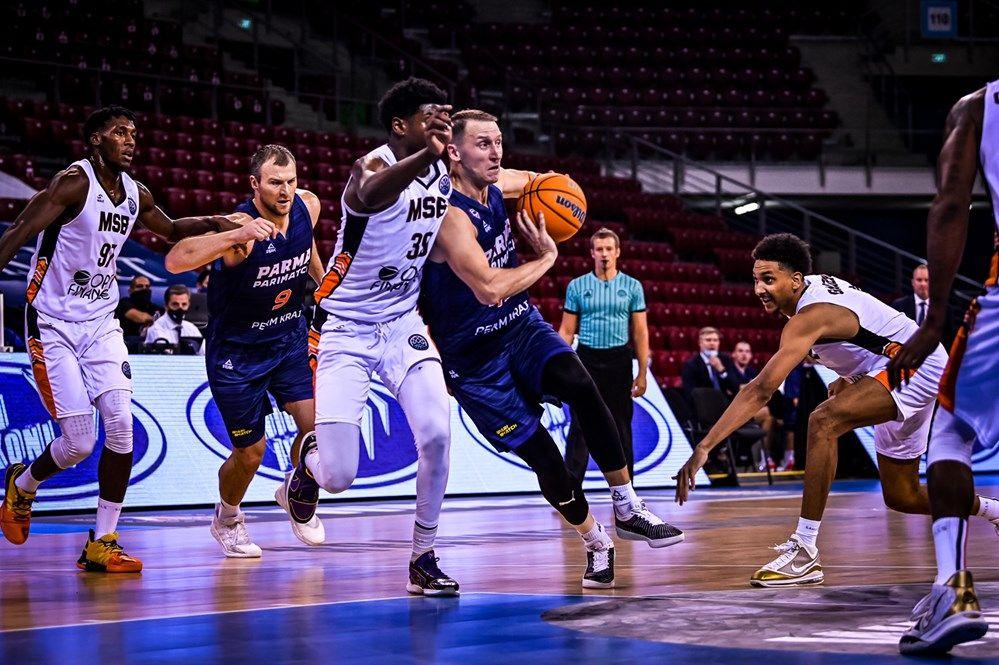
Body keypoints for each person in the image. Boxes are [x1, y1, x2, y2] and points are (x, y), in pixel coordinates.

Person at [419, 109, 683, 590]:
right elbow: (491, 288)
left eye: (499, 141)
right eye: (483, 144)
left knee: (582, 386)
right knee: (546, 460)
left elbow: (548, 182)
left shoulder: (499, 181)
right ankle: (595, 540)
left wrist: (555, 197)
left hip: (520, 327)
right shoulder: (448, 218)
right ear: (454, 152)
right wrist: (547, 256)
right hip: (475, 360)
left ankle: (626, 504)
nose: (496, 152)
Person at [673, 233, 999, 589]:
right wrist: (852, 376)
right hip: (898, 364)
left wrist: (704, 446)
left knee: (823, 421)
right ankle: (992, 510)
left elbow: (761, 390)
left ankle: (805, 549)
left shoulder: (810, 315)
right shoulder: (810, 296)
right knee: (901, 496)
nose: (759, 289)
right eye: (756, 279)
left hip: (915, 363)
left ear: (796, 280)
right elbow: (864, 334)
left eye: (769, 279)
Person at [0, 105, 242, 572]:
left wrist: (216, 220)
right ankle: (23, 484)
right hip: (52, 322)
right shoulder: (73, 183)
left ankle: (103, 540)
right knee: (78, 444)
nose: (131, 140)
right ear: (95, 141)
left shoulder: (135, 192)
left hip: (101, 323)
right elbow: (20, 230)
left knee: (120, 424)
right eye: (119, 133)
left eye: (134, 132)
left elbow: (170, 230)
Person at [285, 78, 459, 595]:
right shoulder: (373, 167)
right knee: (340, 476)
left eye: (440, 116)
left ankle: (423, 557)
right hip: (345, 329)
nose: (437, 124)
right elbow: (370, 193)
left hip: (402, 322)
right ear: (400, 126)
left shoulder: (442, 168)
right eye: (427, 116)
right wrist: (428, 155)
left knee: (437, 435)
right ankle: (307, 471)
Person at [165, 144, 324, 557]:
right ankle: (228, 517)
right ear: (255, 184)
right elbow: (174, 259)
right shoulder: (239, 226)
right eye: (274, 183)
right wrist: (236, 234)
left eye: (290, 181)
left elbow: (307, 251)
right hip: (237, 354)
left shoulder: (308, 205)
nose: (285, 191)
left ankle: (297, 491)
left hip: (288, 337)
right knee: (251, 453)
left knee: (317, 431)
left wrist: (325, 290)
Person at [886, 82, 997, 655]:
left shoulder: (980, 107)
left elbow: (951, 205)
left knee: (951, 432)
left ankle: (951, 591)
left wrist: (936, 322)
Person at [558, 227, 649, 481]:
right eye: (600, 249)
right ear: (592, 253)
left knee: (621, 426)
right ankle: (570, 489)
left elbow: (640, 331)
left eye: (609, 249)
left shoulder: (632, 286)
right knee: (580, 424)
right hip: (586, 358)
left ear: (618, 252)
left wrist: (642, 372)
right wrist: (558, 364)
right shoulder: (577, 286)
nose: (605, 254)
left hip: (619, 360)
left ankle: (627, 490)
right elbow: (566, 330)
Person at [731, 340, 776, 471]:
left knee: (770, 418)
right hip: (733, 411)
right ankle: (763, 456)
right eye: (740, 351)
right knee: (766, 412)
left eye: (747, 352)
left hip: (751, 410)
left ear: (751, 355)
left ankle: (763, 456)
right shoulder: (730, 370)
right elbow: (738, 390)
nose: (744, 355)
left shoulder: (752, 371)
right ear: (734, 354)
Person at [891, 264, 955, 348]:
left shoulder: (945, 309)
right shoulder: (898, 305)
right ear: (913, 282)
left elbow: (949, 340)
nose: (923, 284)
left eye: (926, 280)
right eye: (919, 280)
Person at [681, 327, 740, 402]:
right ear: (700, 343)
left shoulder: (726, 360)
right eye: (708, 340)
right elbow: (690, 393)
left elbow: (735, 387)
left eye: (715, 340)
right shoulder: (691, 364)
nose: (712, 343)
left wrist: (721, 370)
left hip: (726, 404)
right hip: (703, 405)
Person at [143, 284, 204, 355]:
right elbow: (166, 358)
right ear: (166, 306)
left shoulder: (191, 328)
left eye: (184, 304)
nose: (180, 308)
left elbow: (205, 354)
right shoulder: (156, 329)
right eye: (175, 304)